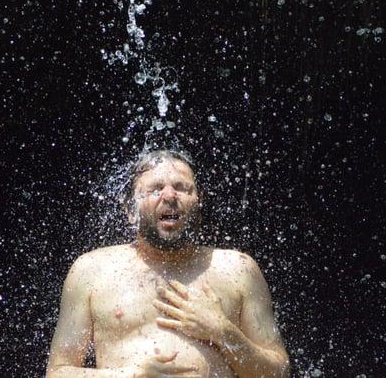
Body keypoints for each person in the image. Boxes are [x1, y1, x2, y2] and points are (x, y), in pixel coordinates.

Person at [46, 149, 290, 378]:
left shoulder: (239, 269)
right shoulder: (91, 271)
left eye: (182, 188)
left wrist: (223, 332)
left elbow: (280, 373)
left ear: (198, 201)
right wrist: (129, 374)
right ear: (131, 210)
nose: (170, 196)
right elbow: (57, 372)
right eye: (155, 188)